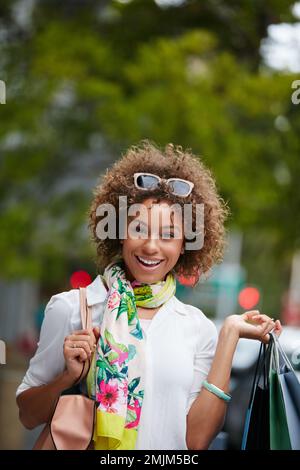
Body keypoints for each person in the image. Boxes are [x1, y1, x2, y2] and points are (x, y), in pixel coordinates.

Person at [16, 141, 282, 450]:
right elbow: (27, 415)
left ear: (185, 244)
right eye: (139, 228)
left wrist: (230, 334)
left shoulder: (196, 328)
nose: (152, 247)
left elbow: (196, 441)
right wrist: (67, 377)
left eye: (169, 235)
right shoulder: (73, 307)